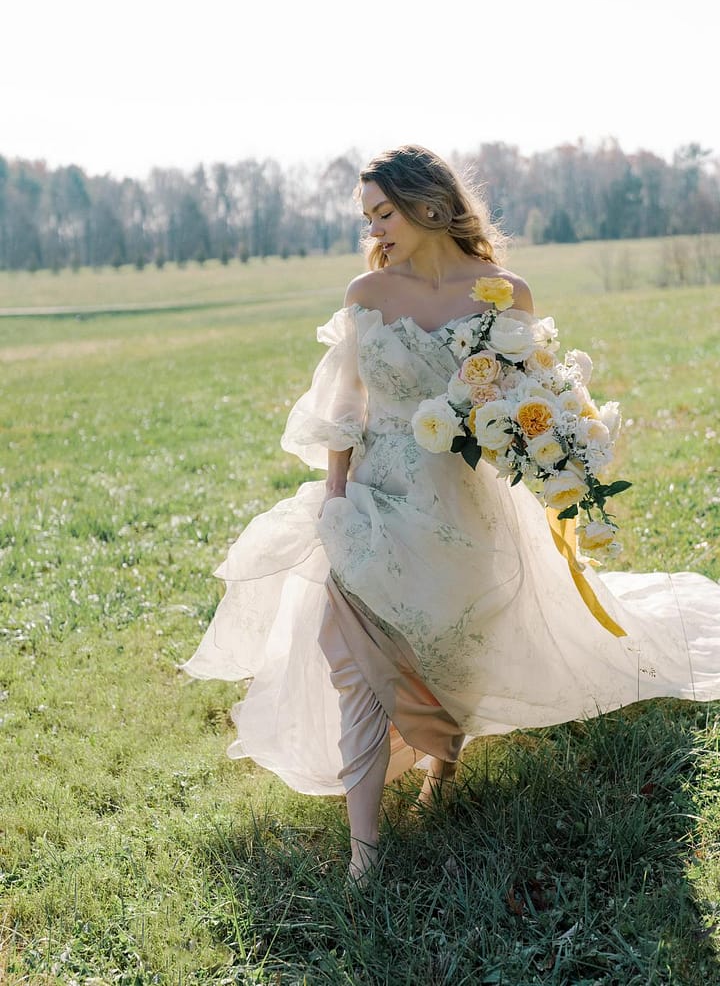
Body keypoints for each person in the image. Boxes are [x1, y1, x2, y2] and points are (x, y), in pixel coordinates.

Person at [181, 145, 720, 887]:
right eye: (368, 215)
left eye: (384, 212)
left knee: (456, 643)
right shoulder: (367, 292)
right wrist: (335, 498)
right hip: (372, 499)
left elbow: (535, 398)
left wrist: (563, 455)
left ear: (428, 206)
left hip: (463, 501)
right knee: (355, 667)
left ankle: (444, 766)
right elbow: (347, 404)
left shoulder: (504, 293)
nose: (375, 227)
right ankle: (364, 852)